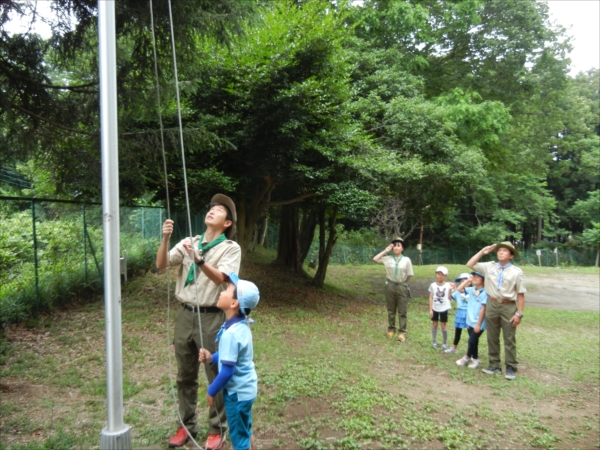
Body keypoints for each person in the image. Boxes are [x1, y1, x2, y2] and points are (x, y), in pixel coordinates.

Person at [156, 194, 241, 449]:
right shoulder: (188, 243)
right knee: (185, 375)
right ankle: (186, 426)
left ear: (227, 223)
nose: (212, 211)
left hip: (211, 318)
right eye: (211, 207)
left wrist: (199, 260)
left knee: (215, 374)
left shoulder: (230, 248)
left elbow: (220, 279)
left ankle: (216, 429)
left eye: (219, 210)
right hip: (184, 315)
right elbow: (161, 264)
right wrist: (165, 238)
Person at [199, 272, 260, 450]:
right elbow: (231, 358)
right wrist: (212, 357)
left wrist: (211, 391)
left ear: (234, 303)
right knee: (245, 430)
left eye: (228, 288)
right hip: (247, 391)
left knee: (239, 438)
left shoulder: (231, 334)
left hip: (236, 395)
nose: (223, 290)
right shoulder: (241, 325)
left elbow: (227, 371)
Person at [466, 242, 526, 380]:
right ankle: (494, 364)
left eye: (505, 251)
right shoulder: (489, 266)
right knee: (492, 336)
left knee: (509, 337)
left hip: (508, 305)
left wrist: (519, 313)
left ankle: (510, 366)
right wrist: (482, 251)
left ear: (511, 255)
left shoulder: (516, 272)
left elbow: (521, 293)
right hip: (491, 303)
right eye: (499, 250)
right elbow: (470, 264)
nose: (501, 252)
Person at [373, 237, 414, 342]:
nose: (396, 247)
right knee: (391, 310)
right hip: (390, 286)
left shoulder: (406, 260)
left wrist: (402, 282)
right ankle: (391, 329)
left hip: (401, 286)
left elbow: (409, 274)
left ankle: (402, 332)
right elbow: (375, 259)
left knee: (402, 311)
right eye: (394, 245)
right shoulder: (388, 259)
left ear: (402, 249)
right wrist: (386, 251)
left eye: (398, 246)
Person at [455, 272, 488, 369]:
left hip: (479, 322)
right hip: (470, 321)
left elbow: (483, 309)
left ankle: (467, 357)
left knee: (471, 341)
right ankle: (475, 359)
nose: (475, 278)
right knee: (474, 341)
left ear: (483, 280)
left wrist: (478, 324)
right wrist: (468, 280)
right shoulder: (472, 289)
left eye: (478, 277)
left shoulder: (485, 292)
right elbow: (459, 289)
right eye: (474, 276)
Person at [444, 273, 470, 354]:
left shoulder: (473, 291)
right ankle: (454, 347)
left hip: (469, 313)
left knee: (471, 332)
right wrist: (449, 289)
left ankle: (471, 351)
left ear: (469, 282)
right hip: (460, 312)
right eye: (461, 281)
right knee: (458, 331)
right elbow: (449, 297)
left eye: (464, 281)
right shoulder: (457, 292)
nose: (462, 283)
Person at [428, 266, 453, 349]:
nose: (440, 276)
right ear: (436, 274)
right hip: (435, 307)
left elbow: (450, 297)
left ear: (445, 276)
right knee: (434, 324)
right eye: (438, 274)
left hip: (444, 308)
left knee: (443, 325)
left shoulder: (448, 285)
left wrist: (453, 289)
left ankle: (444, 343)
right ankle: (434, 342)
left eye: (442, 274)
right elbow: (431, 297)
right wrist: (430, 309)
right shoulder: (433, 285)